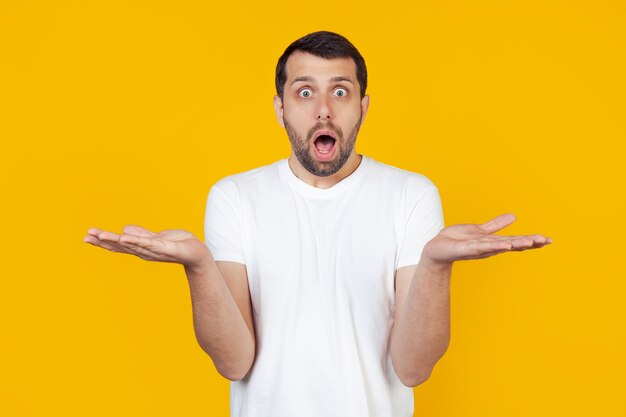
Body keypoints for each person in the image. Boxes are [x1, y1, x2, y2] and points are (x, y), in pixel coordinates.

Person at [84, 31, 552, 417]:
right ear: (280, 108)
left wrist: (435, 265)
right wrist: (198, 266)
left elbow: (412, 368)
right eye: (304, 92)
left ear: (362, 108)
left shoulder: (412, 195)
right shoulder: (234, 197)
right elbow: (235, 361)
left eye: (340, 91)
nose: (323, 109)